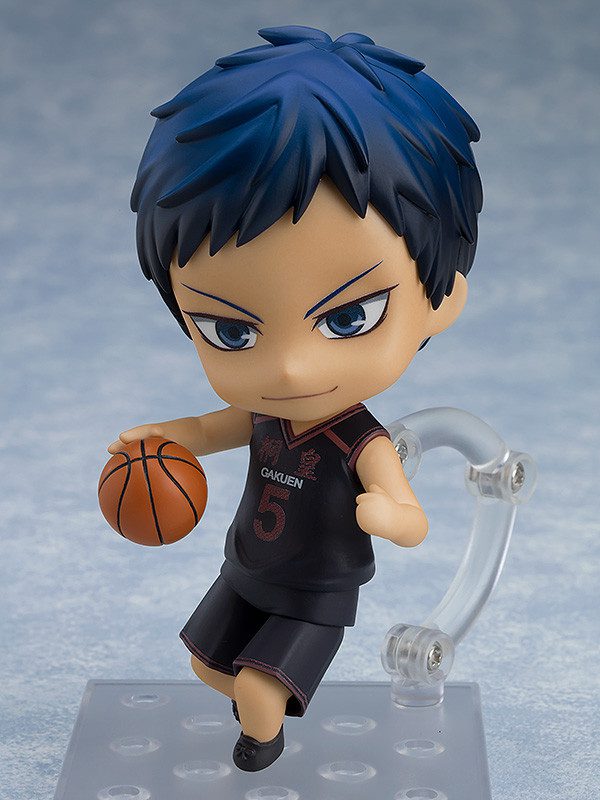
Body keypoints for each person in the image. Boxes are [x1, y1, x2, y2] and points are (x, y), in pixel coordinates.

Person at [108, 25, 482, 771]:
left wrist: (390, 516)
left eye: (349, 318)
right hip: (247, 566)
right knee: (205, 667)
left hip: (317, 589)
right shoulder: (266, 417)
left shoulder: (360, 438)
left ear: (440, 299)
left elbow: (408, 515)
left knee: (255, 686)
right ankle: (258, 713)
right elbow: (210, 428)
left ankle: (263, 737)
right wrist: (163, 436)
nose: (288, 369)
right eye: (231, 330)